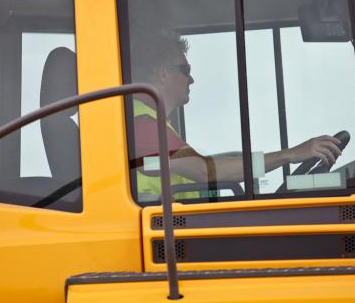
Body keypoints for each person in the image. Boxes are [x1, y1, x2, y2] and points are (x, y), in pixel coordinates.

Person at [131, 30, 342, 200]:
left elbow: (202, 166)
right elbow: (205, 171)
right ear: (163, 73)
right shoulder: (144, 127)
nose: (191, 79)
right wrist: (291, 154)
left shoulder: (153, 124)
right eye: (186, 70)